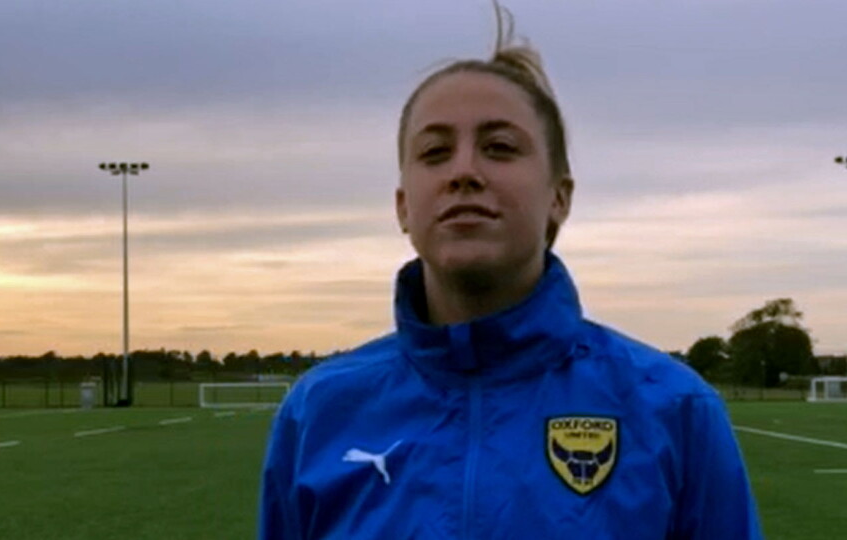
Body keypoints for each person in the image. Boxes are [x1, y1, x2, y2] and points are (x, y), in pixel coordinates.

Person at [259, 4, 763, 539]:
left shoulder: (675, 409)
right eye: (435, 152)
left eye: (499, 148)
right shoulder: (318, 411)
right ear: (403, 205)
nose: (463, 172)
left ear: (559, 197)